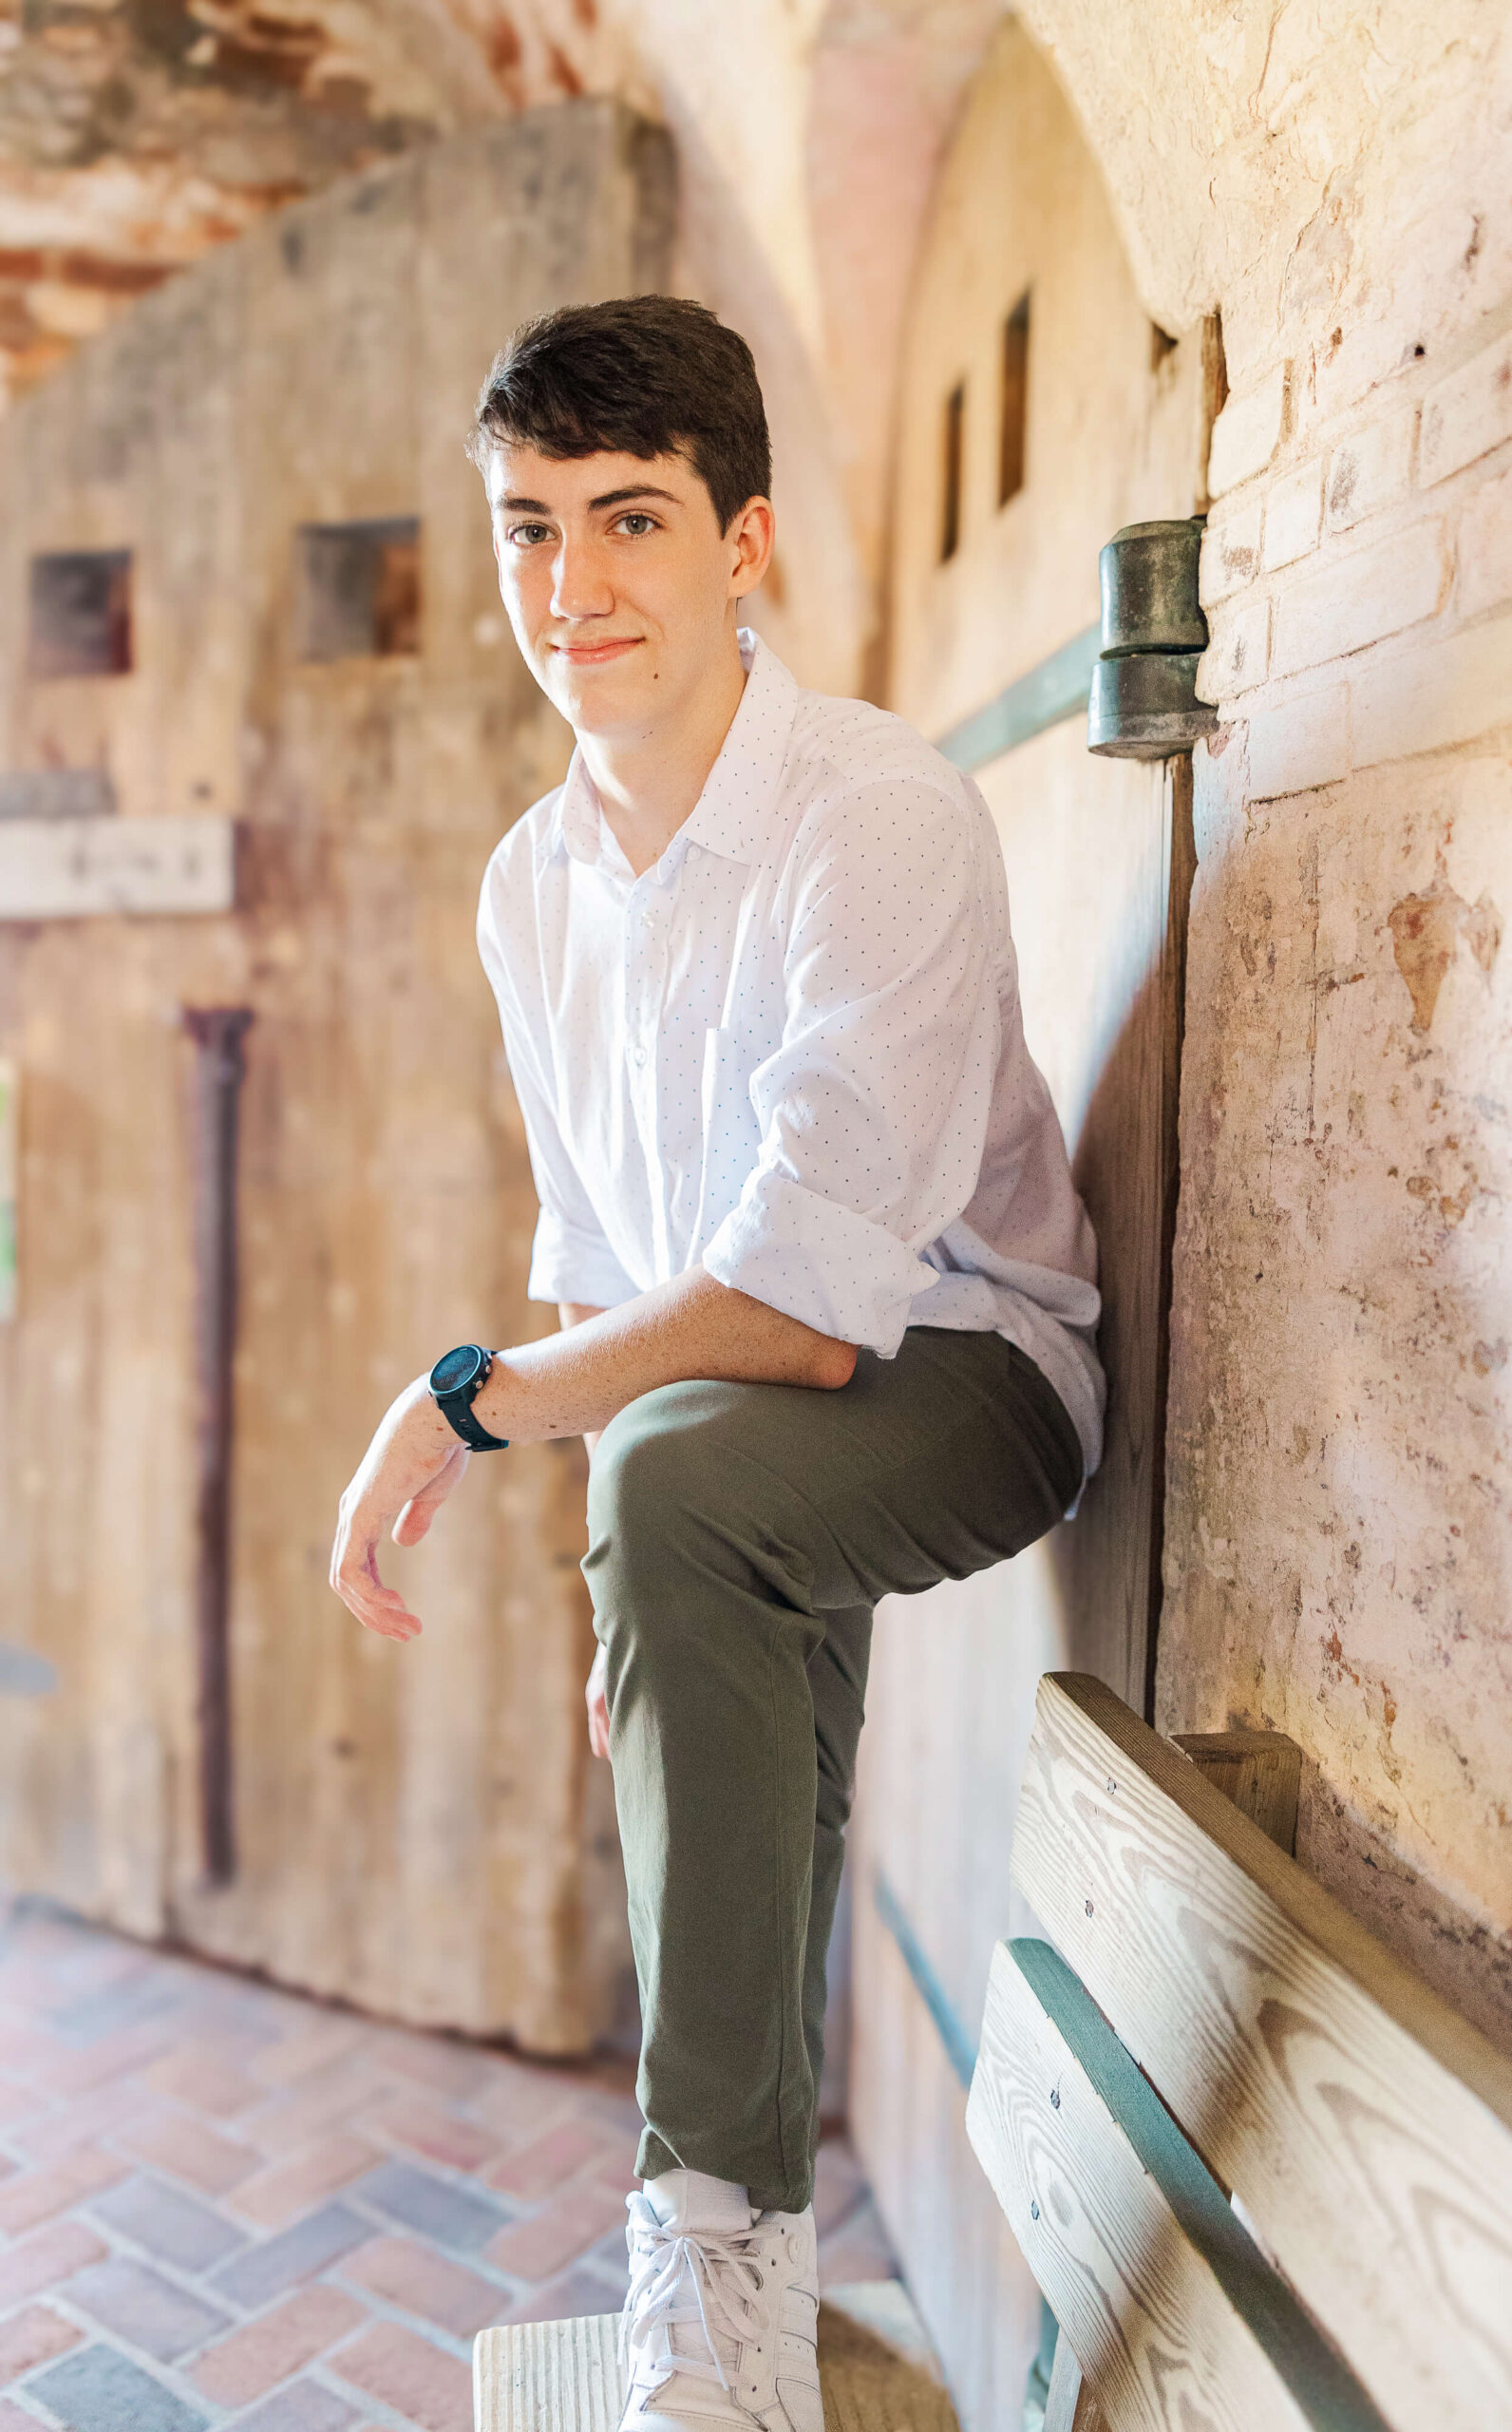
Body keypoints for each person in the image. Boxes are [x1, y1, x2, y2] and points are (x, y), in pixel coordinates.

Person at [330, 294, 1103, 2432]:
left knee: (681, 1485)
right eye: (527, 530)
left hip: (971, 1366)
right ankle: (728, 2260)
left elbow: (793, 1300)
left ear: (743, 542)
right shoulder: (527, 888)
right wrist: (618, 1566)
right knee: (677, 1543)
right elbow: (607, 1265)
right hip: (721, 1425)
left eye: (631, 521)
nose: (571, 590)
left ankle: (718, 2245)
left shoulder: (880, 812)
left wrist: (465, 1396)